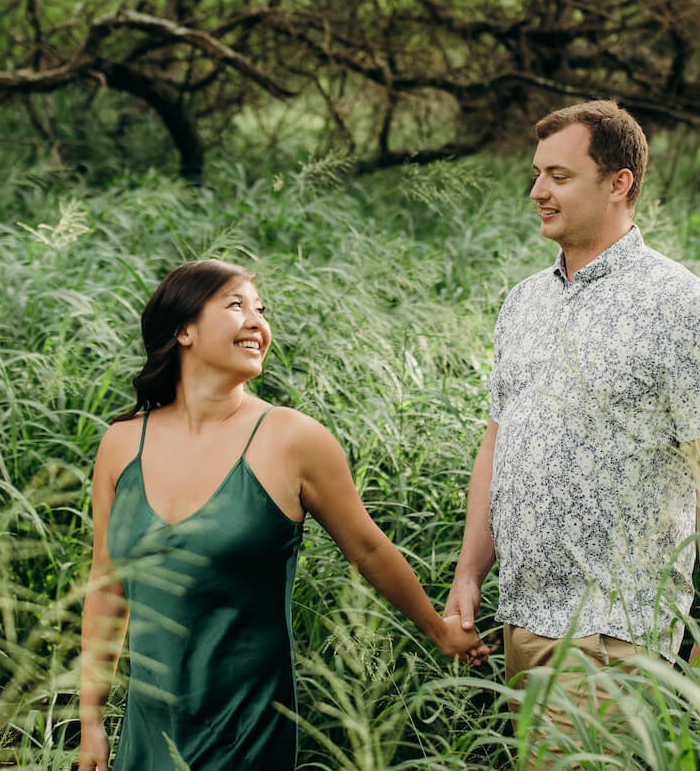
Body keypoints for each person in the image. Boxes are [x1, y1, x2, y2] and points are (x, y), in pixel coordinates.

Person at [78, 259, 489, 771]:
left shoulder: (293, 440)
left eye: (261, 310)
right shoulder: (122, 444)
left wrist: (438, 630)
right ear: (183, 330)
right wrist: (91, 720)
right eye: (236, 305)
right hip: (149, 733)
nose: (257, 322)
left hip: (247, 734)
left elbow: (368, 548)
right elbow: (107, 585)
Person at [444, 101, 700, 701]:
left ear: (619, 184)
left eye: (559, 176)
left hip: (615, 629)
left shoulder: (679, 304)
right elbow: (497, 445)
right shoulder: (524, 302)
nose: (537, 191)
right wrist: (468, 575)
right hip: (522, 615)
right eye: (537, 174)